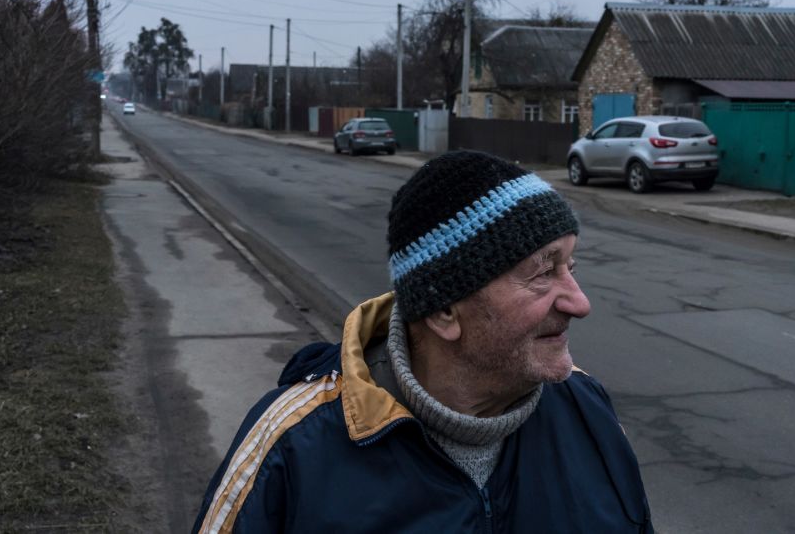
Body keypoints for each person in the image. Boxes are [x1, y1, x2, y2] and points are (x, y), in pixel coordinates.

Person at [192, 150, 654, 533]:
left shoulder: (586, 406)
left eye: (570, 268)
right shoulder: (291, 448)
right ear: (443, 311)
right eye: (541, 273)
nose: (580, 302)